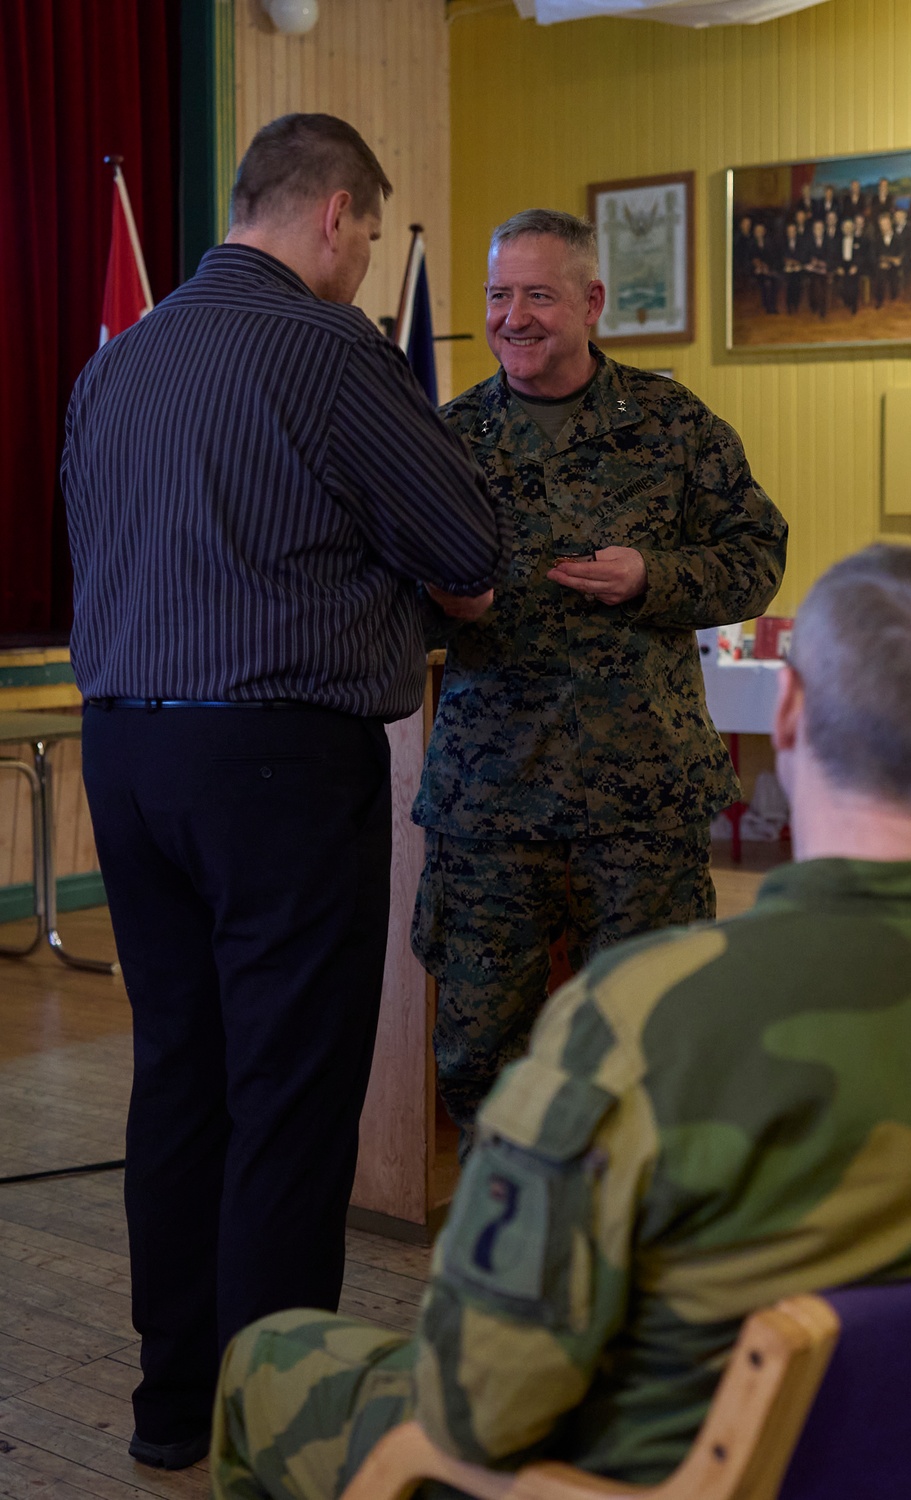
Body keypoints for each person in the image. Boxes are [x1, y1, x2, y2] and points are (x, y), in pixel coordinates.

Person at [211, 541, 911, 1498]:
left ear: (787, 716)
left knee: (268, 1358)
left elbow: (474, 1404)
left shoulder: (649, 1014)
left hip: (668, 1472)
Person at [60, 113, 502, 1471]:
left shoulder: (119, 366)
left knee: (182, 1075)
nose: (368, 257)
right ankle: (278, 1423)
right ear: (332, 216)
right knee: (291, 1089)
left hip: (127, 757)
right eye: (370, 233)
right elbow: (469, 541)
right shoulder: (327, 348)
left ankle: (168, 1408)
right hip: (276, 761)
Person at [409, 209, 787, 1149]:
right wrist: (440, 608)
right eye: (499, 294)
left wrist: (654, 577)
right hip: (490, 800)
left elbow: (757, 556)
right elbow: (385, 590)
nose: (513, 316)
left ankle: (639, 1233)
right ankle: (511, 1227)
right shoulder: (445, 438)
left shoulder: (672, 424)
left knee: (652, 1036)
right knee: (475, 1046)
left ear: (592, 302)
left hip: (640, 800)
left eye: (538, 293)